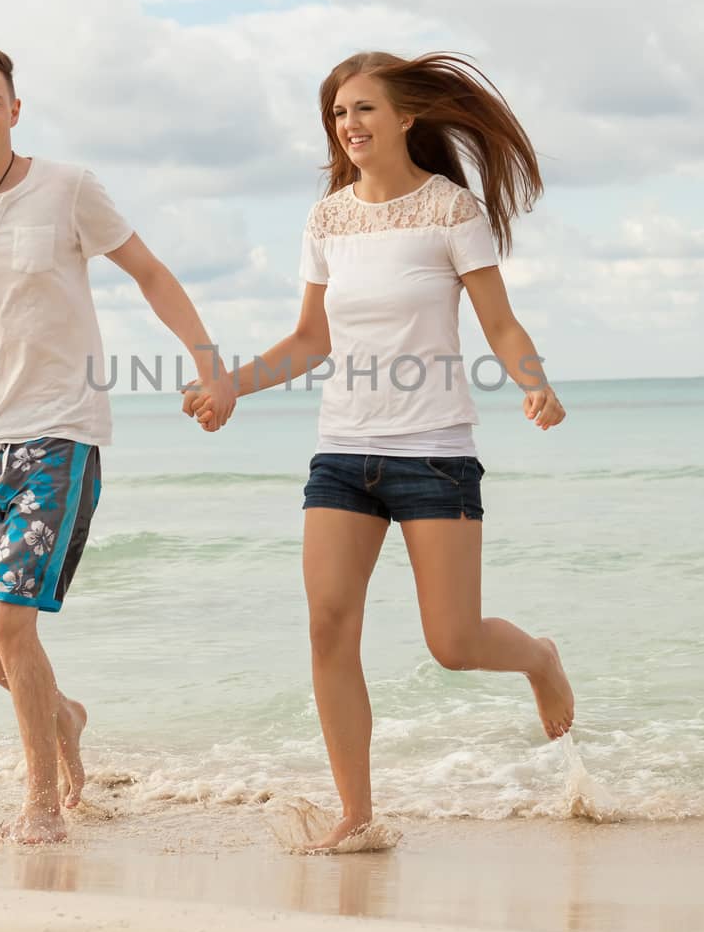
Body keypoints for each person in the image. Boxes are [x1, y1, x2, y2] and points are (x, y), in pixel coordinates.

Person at [185, 51, 574, 850]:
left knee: (453, 644)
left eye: (363, 109)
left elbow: (498, 322)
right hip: (341, 453)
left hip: (434, 452)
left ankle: (538, 658)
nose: (349, 126)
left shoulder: (450, 210)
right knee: (327, 628)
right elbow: (309, 339)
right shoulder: (326, 218)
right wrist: (230, 386)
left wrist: (532, 382)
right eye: (337, 114)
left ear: (404, 118)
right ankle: (355, 817)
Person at [0, 43, 235, 845]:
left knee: (9, 621)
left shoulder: (67, 189)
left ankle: (41, 803)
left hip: (60, 433)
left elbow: (150, 272)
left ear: (15, 110)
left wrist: (208, 363)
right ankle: (62, 715)